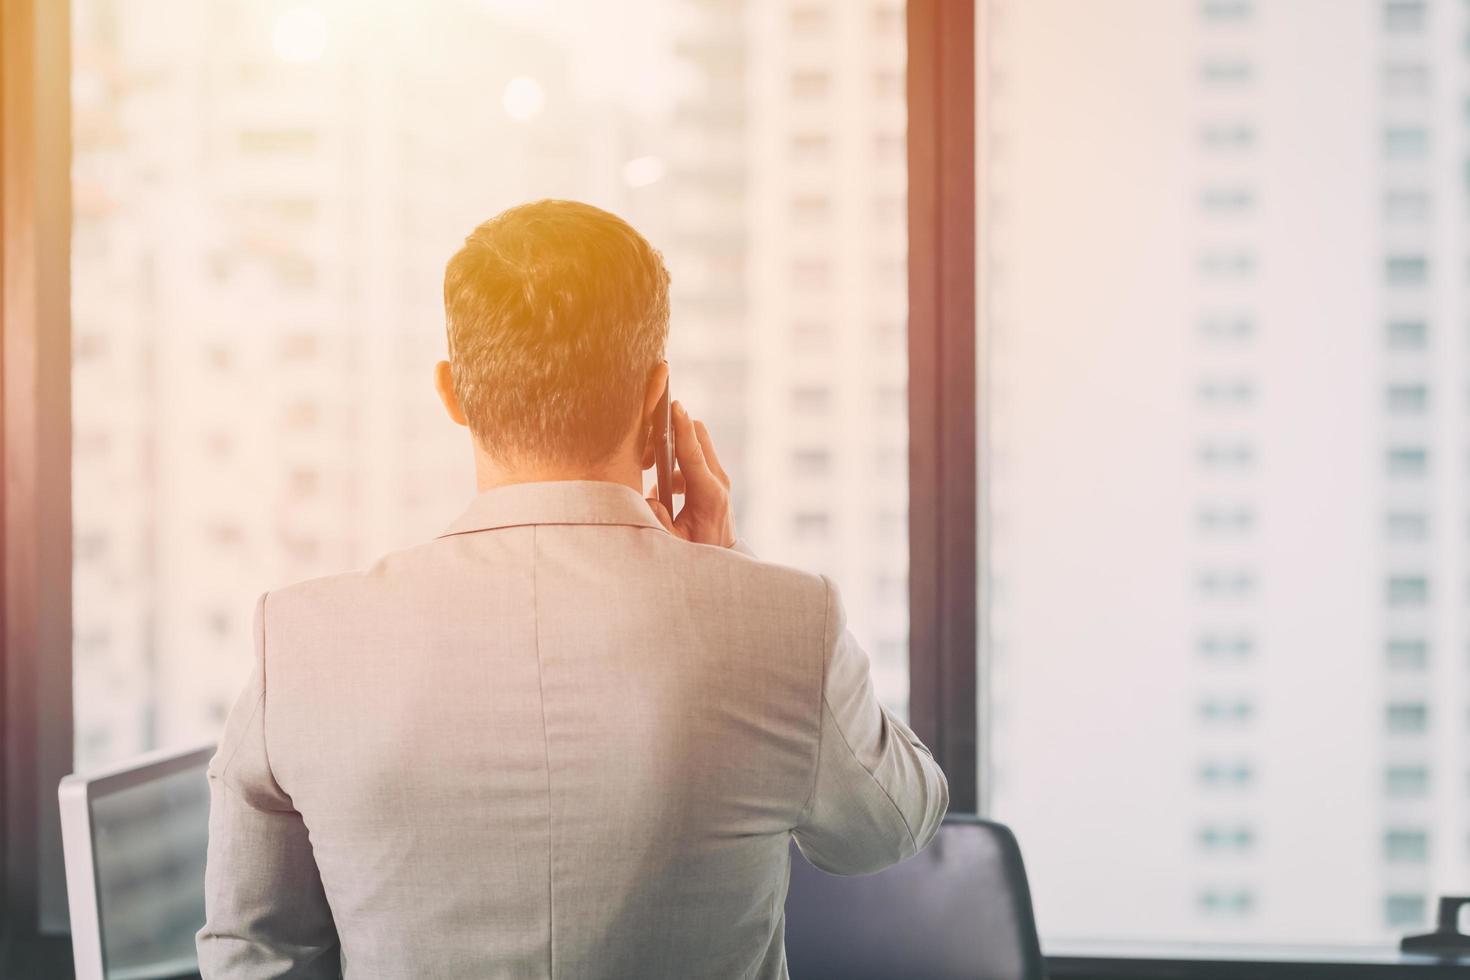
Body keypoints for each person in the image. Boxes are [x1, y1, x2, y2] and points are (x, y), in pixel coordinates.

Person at [197, 199, 948, 979]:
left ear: (452, 395)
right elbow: (890, 826)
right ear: (657, 396)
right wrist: (733, 570)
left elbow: (255, 952)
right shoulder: (788, 621)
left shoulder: (303, 640)